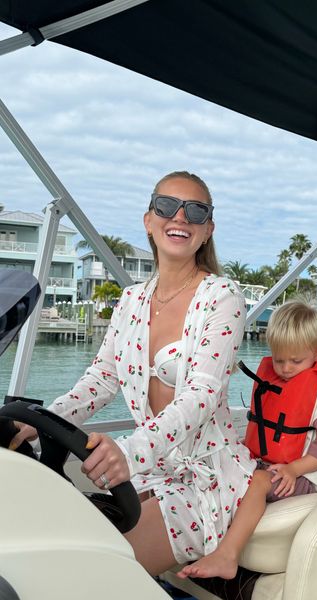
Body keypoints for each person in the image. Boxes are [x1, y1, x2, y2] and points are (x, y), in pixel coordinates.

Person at [9, 171, 256, 576]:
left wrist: (127, 451)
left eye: (195, 210)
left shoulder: (223, 297)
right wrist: (41, 422)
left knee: (94, 576)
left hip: (206, 479)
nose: (179, 217)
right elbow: (101, 379)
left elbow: (203, 395)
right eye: (166, 206)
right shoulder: (130, 300)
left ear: (207, 229)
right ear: (148, 219)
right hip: (149, 472)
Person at [178, 300, 317, 580]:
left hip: (305, 477)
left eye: (296, 361)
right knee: (217, 463)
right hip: (270, 466)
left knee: (256, 481)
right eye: (279, 360)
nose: (286, 369)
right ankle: (193, 537)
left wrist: (293, 469)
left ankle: (227, 556)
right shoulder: (274, 387)